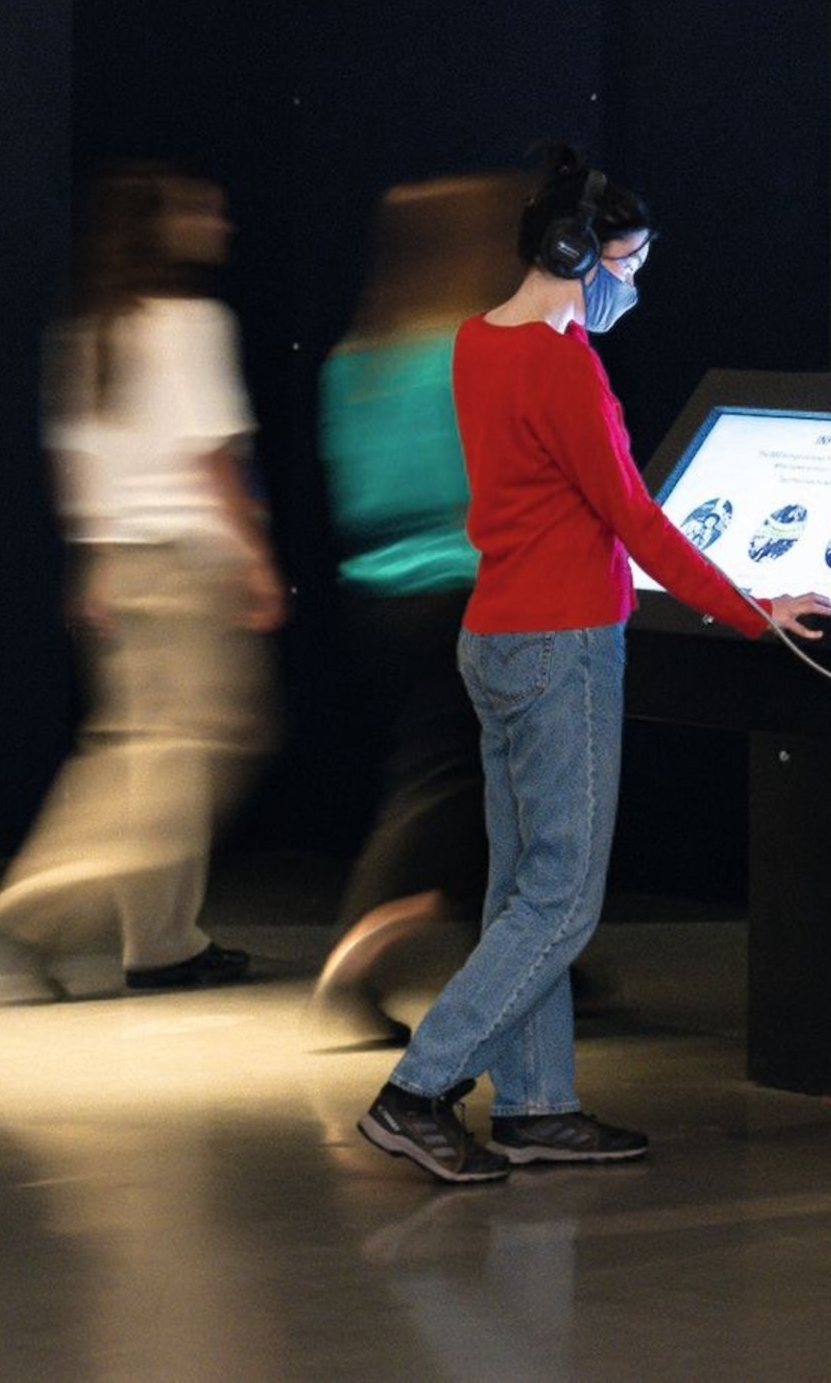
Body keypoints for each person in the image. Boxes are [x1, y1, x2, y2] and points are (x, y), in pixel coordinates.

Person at [357, 146, 831, 1184]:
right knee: (562, 901)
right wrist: (756, 612)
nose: (635, 281)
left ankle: (536, 1105)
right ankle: (416, 1089)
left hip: (496, 639)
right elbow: (636, 520)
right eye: (629, 260)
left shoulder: (477, 342)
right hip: (563, 647)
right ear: (577, 254)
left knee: (519, 889)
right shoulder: (564, 367)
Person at [0, 163, 282, 991]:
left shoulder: (88, 329)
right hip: (189, 567)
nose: (219, 227)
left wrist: (93, 559)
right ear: (160, 229)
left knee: (146, 747)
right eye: (201, 213)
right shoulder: (192, 323)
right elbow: (212, 455)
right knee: (192, 748)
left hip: (122, 563)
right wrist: (255, 557)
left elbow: (71, 460)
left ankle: (162, 941)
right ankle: (43, 899)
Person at [309, 173, 525, 1047]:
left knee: (468, 773)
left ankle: (528, 955)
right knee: (456, 780)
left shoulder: (356, 359)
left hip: (384, 592)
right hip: (469, 587)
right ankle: (366, 947)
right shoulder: (472, 350)